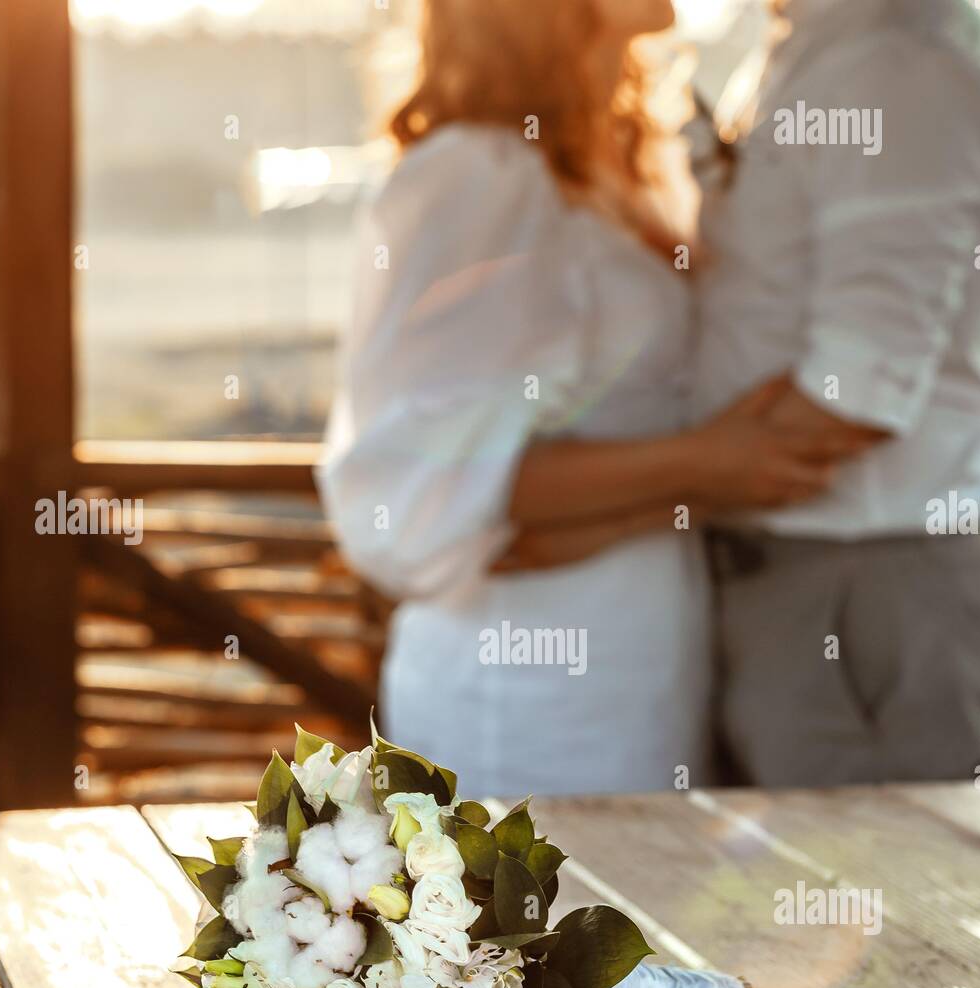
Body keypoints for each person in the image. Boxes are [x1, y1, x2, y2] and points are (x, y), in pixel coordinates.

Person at [320, 0, 858, 798]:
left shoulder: (624, 158)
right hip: (525, 682)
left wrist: (687, 488)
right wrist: (705, 463)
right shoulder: (478, 175)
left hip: (637, 659)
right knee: (541, 916)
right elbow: (427, 484)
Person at [693, 0, 980, 787]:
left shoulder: (896, 59)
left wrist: (586, 498)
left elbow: (856, 394)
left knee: (892, 898)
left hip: (870, 594)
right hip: (813, 577)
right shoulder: (813, 40)